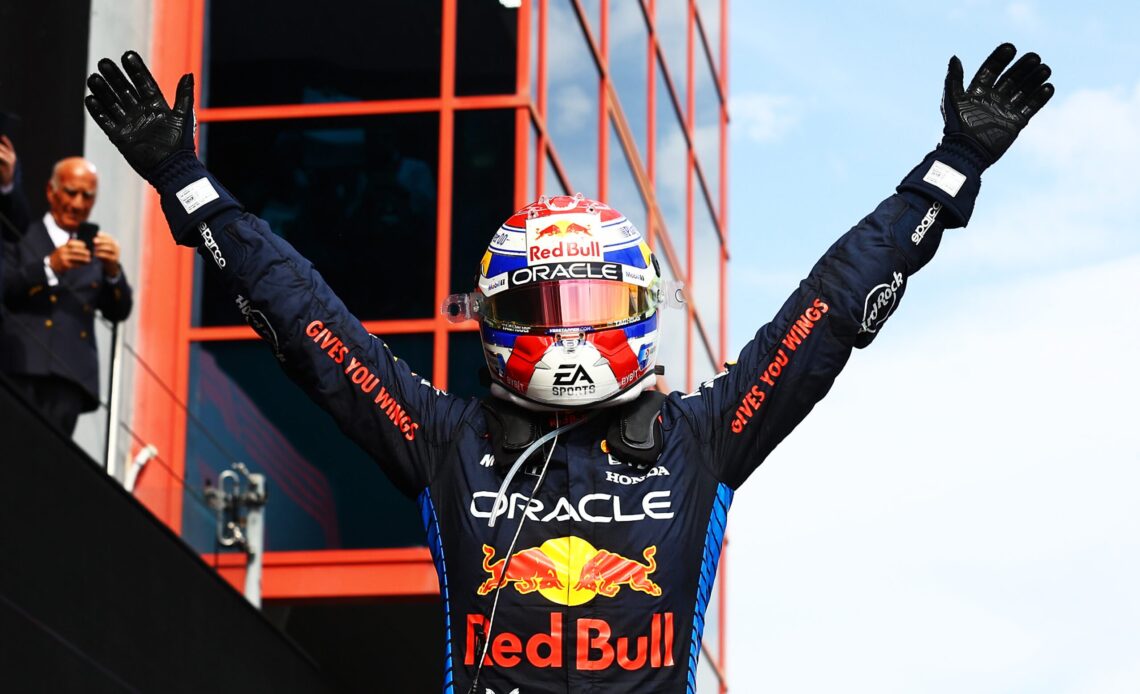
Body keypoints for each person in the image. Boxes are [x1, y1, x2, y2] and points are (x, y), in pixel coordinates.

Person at [85, 45, 1052, 693]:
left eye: (589, 306)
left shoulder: (700, 439)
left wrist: (950, 167)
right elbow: (308, 325)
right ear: (496, 320)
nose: (571, 332)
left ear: (635, 311)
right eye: (545, 308)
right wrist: (189, 187)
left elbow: (830, 311)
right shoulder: (442, 440)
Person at [0, 157, 133, 436]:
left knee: (51, 464)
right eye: (71, 192)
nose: (78, 204)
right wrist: (49, 267)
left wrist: (112, 272)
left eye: (87, 196)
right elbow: (7, 288)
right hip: (19, 365)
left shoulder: (96, 251)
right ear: (52, 191)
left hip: (68, 374)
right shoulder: (20, 234)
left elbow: (119, 310)